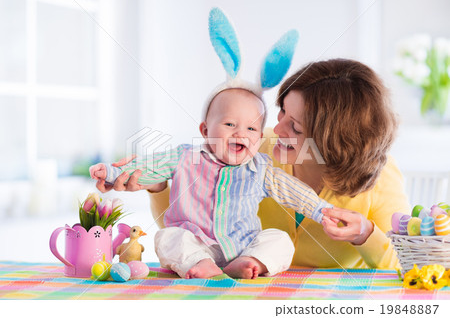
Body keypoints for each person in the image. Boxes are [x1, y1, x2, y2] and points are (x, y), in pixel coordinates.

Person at [104, 58, 410, 270]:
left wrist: (365, 234)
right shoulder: (250, 146)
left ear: (335, 142)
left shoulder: (380, 178)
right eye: (280, 114)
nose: (276, 131)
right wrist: (158, 186)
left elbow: (408, 267)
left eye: (296, 128)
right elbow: (190, 229)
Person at [91, 87, 333, 279]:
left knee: (279, 240)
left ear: (259, 138)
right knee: (168, 237)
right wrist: (112, 172)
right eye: (229, 125)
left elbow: (294, 191)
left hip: (244, 245)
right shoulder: (185, 157)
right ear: (205, 130)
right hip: (195, 242)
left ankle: (252, 262)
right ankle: (199, 263)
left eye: (251, 128)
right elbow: (149, 166)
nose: (240, 133)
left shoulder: (261, 169)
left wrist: (322, 211)